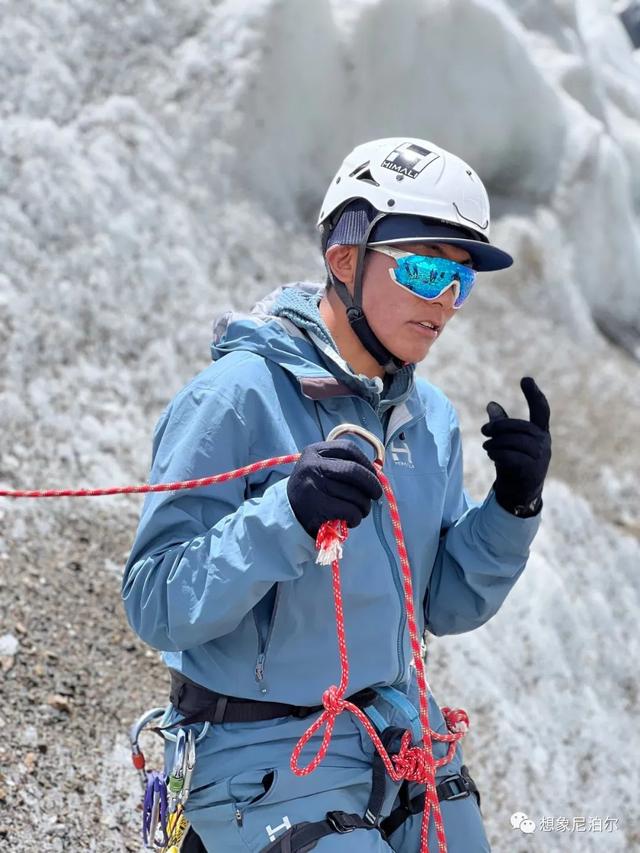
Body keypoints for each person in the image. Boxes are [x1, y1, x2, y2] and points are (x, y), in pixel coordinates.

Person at [122, 137, 552, 852]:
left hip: (397, 738)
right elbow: (155, 601)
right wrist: (286, 514)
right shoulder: (236, 400)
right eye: (421, 269)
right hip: (258, 759)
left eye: (460, 282)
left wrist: (511, 510)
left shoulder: (428, 418)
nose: (443, 301)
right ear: (344, 259)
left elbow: (441, 604)